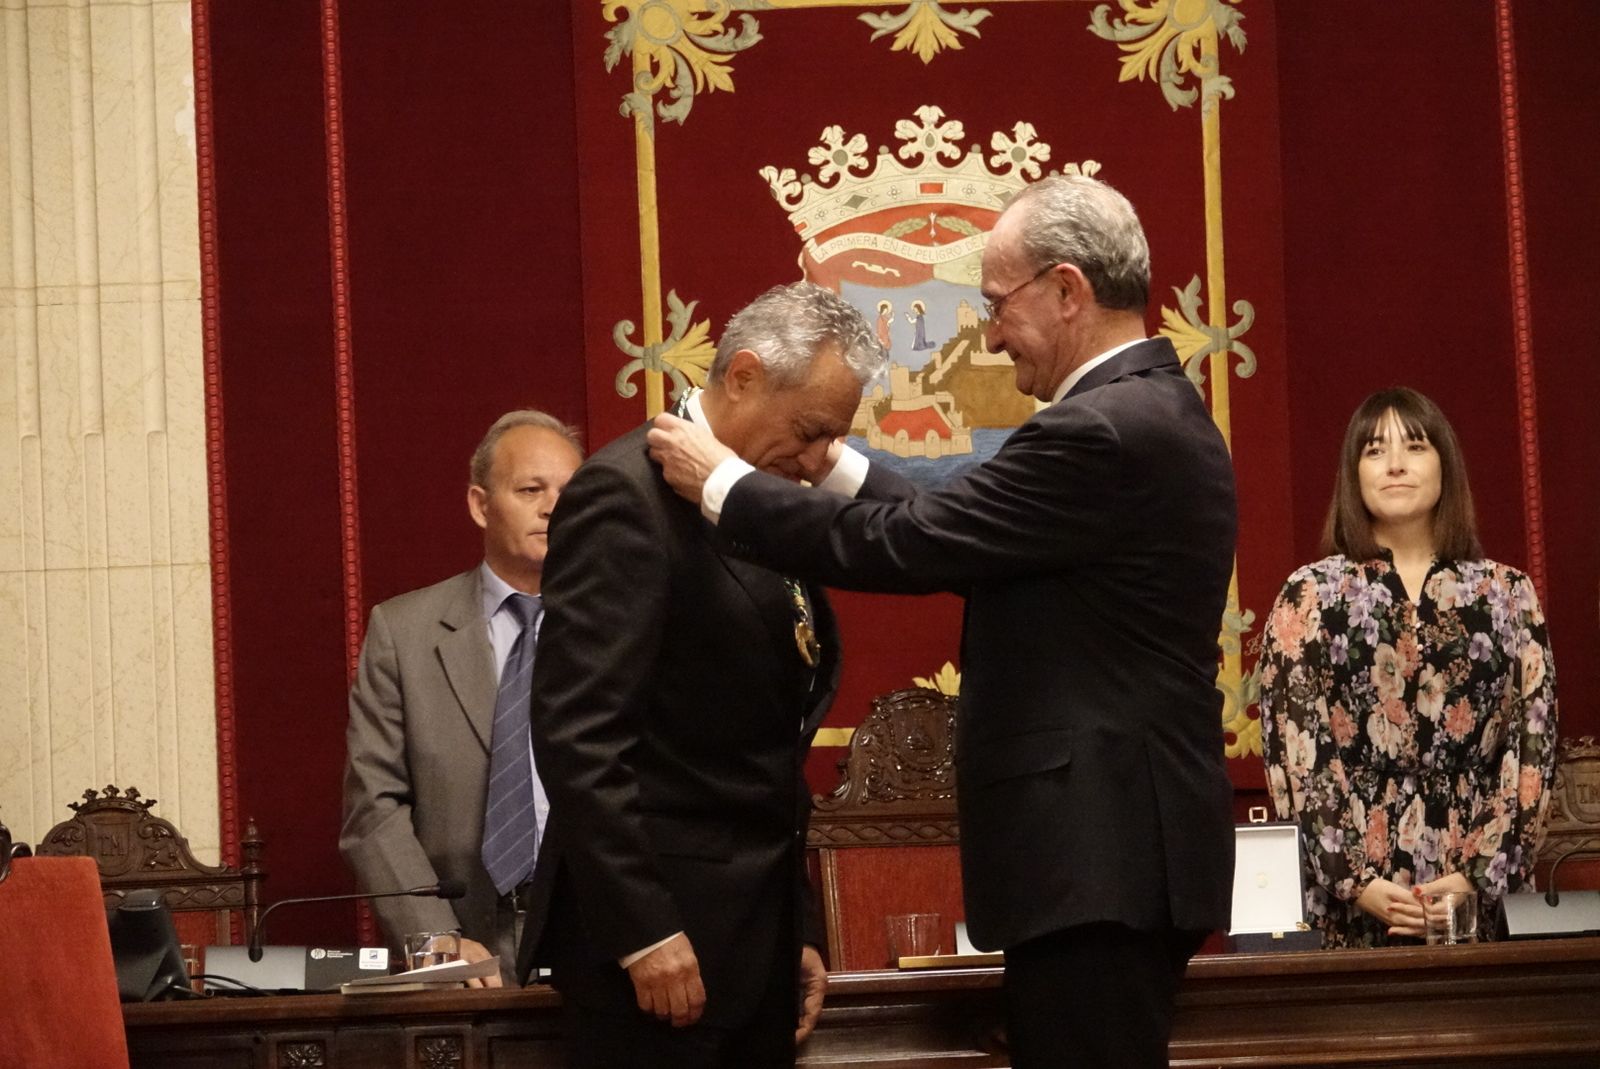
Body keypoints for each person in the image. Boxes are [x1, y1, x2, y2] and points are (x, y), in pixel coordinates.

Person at [647, 175, 1238, 1068]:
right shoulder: (1147, 411)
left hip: (1098, 864)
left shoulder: (1103, 430)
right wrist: (829, 459)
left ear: (1068, 289)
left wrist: (725, 484)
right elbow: (963, 514)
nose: (991, 336)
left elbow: (922, 542)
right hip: (1113, 861)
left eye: (999, 304)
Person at [518, 282, 887, 1067]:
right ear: (745, 375)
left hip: (754, 948)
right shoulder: (625, 496)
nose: (824, 459)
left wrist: (803, 927)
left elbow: (768, 744)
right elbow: (580, 736)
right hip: (656, 957)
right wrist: (643, 927)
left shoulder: (758, 498)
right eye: (814, 430)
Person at [1257, 387, 1559, 948]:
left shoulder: (1508, 595)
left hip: (1472, 889)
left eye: (1414, 446)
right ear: (1354, 474)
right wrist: (1355, 882)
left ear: (1445, 464)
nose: (1395, 464)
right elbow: (1297, 752)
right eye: (1374, 450)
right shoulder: (1310, 596)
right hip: (1352, 894)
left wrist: (1475, 877)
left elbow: (1532, 748)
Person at [340, 409, 583, 987]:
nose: (554, 507)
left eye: (570, 492)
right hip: (464, 940)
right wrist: (432, 934)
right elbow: (373, 806)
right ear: (480, 504)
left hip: (601, 939)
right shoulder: (405, 632)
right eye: (531, 490)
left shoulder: (623, 625)